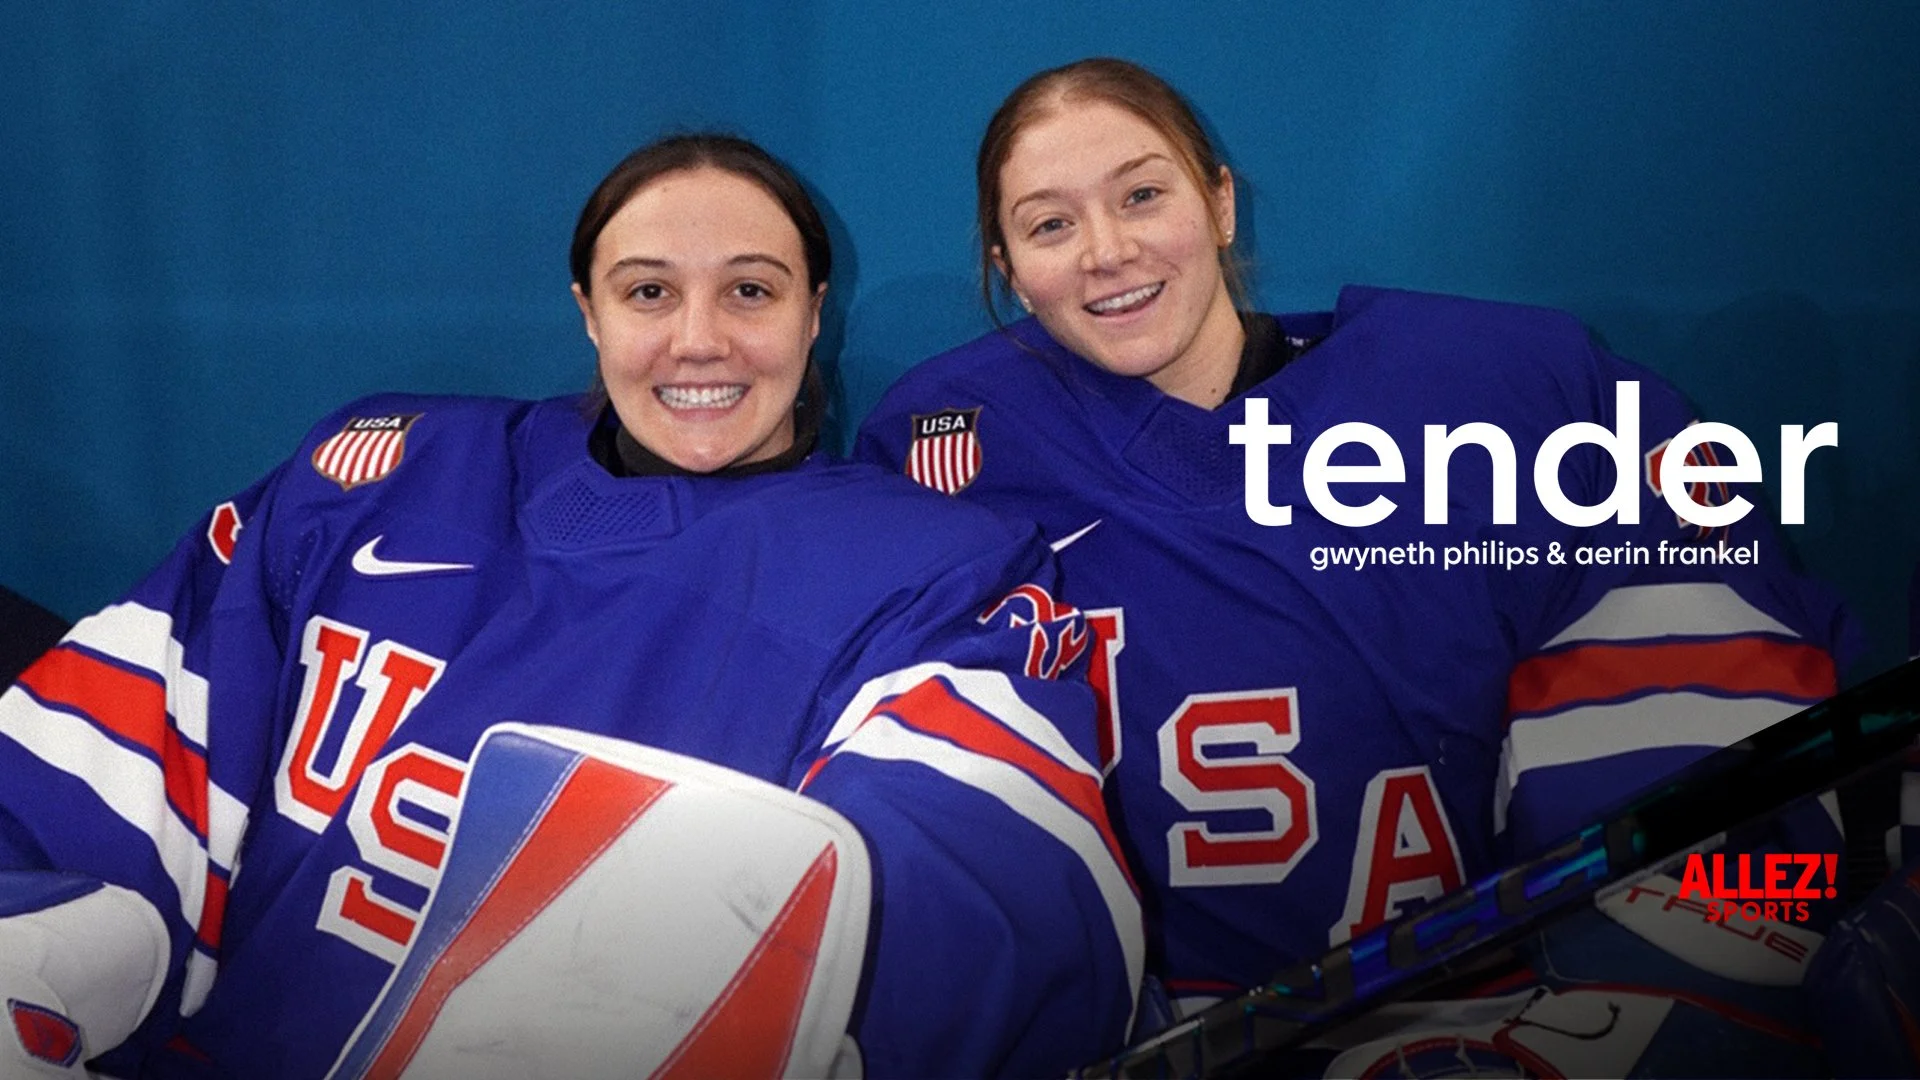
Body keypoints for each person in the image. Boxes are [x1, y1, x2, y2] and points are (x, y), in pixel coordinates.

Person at [0, 134, 1141, 1078]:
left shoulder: (940, 570)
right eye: (650, 291)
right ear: (588, 313)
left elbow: (999, 892)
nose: (700, 339)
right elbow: (103, 766)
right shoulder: (386, 475)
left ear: (812, 315)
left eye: (751, 290)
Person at [855, 57, 1854, 1025]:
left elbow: (1699, 589)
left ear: (1221, 203)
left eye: (1142, 195)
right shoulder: (950, 441)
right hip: (1161, 1040)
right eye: (1050, 224)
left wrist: (1619, 969)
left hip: (1501, 1011)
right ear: (1008, 269)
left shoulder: (1496, 387)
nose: (1106, 250)